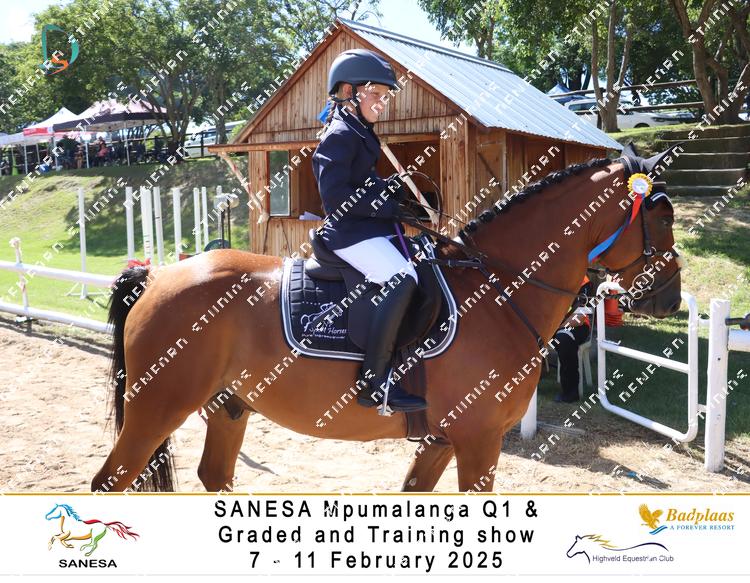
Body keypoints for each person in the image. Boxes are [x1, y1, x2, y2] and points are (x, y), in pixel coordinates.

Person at [311, 48, 426, 413]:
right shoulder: (339, 134)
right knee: (402, 278)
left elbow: (362, 182)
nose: (382, 102)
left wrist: (388, 190)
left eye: (385, 96)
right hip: (347, 234)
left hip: (366, 229)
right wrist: (384, 206)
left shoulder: (360, 132)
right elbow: (334, 197)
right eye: (376, 93)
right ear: (349, 92)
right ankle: (373, 382)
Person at [553, 278, 594, 403]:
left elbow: (579, 318)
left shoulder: (584, 283)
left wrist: (555, 327)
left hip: (576, 325)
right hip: (551, 324)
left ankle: (570, 391)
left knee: (563, 339)